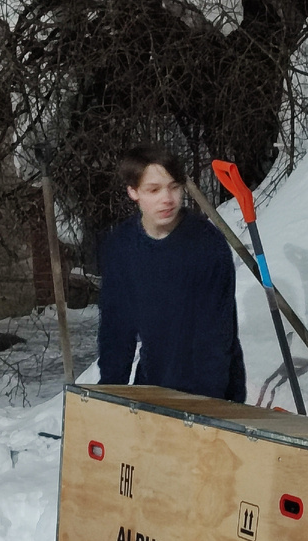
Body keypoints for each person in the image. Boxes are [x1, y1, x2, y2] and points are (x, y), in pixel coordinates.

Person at [96, 145, 246, 402]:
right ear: (133, 192)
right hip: (153, 383)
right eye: (154, 190)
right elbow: (116, 329)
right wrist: (111, 395)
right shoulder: (122, 246)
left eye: (174, 187)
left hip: (211, 389)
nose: (167, 198)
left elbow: (216, 337)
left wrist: (209, 406)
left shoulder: (206, 244)